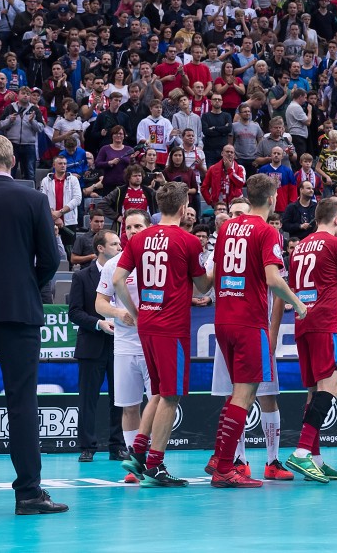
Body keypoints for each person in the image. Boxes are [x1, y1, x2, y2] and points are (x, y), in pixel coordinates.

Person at [0, 135, 66, 515]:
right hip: (20, 311)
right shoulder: (34, 199)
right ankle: (29, 493)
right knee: (22, 403)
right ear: (13, 162)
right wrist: (28, 284)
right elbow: (50, 258)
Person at [208, 174, 308, 487]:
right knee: (246, 392)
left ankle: (218, 457)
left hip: (223, 317)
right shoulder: (266, 232)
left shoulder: (226, 228)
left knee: (237, 391)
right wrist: (300, 305)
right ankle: (225, 466)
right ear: (272, 198)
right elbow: (273, 279)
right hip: (248, 320)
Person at [113, 183, 210, 486]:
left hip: (148, 325)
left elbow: (118, 280)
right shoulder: (189, 241)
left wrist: (137, 310)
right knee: (171, 396)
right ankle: (155, 464)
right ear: (184, 209)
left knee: (159, 391)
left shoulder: (139, 238)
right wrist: (217, 263)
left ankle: (138, 451)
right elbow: (203, 287)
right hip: (172, 327)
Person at [275, 197, 337, 482]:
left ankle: (315, 459)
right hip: (326, 321)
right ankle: (301, 453)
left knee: (313, 389)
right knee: (331, 383)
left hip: (303, 320)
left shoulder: (300, 246)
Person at [95, 209, 155, 485]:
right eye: (128, 227)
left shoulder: (158, 261)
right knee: (130, 407)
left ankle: (154, 460)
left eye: (138, 226)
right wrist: (119, 314)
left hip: (155, 345)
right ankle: (134, 462)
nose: (132, 231)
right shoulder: (114, 264)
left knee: (158, 403)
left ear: (148, 227)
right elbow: (100, 303)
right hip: (125, 346)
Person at [68, 229, 125, 462]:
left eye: (120, 244)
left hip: (120, 344)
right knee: (88, 398)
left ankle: (117, 445)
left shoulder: (125, 274)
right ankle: (87, 446)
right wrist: (98, 323)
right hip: (91, 345)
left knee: (119, 398)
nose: (120, 248)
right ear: (100, 248)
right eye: (114, 244)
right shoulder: (82, 277)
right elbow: (74, 312)